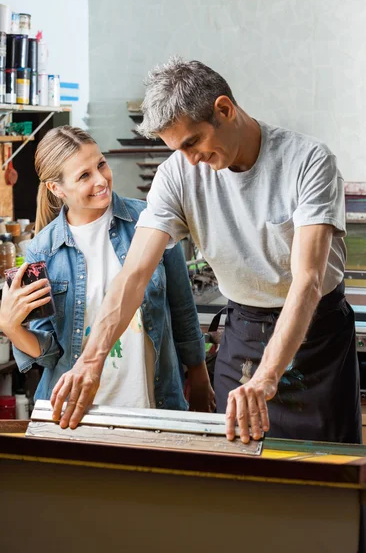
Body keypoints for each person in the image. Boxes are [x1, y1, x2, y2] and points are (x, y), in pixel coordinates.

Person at [50, 58, 361, 445]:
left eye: (193, 142)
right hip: (244, 333)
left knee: (326, 477)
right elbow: (133, 276)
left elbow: (308, 282)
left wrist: (266, 379)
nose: (191, 159)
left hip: (317, 338)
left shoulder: (308, 162)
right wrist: (91, 361)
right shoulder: (177, 174)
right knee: (235, 477)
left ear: (224, 110)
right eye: (178, 149)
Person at [0, 126, 214, 424]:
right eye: (84, 175)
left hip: (153, 405)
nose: (101, 180)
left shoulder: (150, 221)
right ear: (56, 189)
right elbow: (50, 356)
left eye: (100, 164)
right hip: (76, 415)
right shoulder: (41, 251)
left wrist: (199, 377)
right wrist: (11, 327)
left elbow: (182, 309)